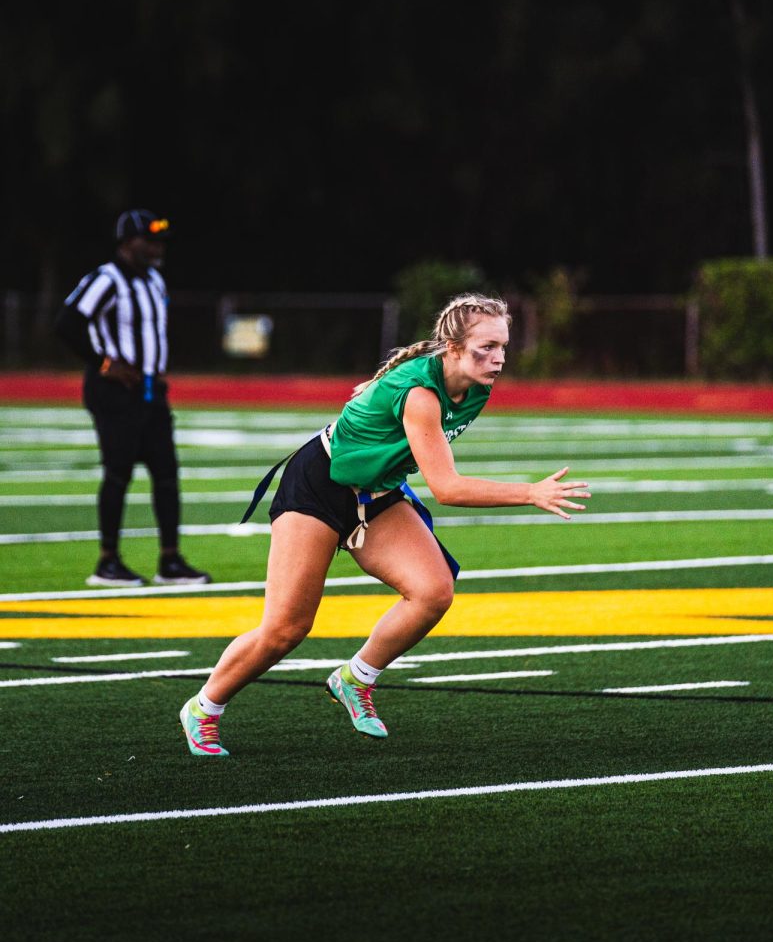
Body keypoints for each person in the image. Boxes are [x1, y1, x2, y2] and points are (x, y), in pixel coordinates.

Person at [179, 292, 590, 756]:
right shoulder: (420, 392)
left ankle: (356, 678)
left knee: (433, 591)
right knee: (286, 629)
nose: (497, 360)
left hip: (376, 492)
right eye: (485, 349)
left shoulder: (476, 386)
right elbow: (448, 488)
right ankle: (204, 709)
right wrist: (530, 492)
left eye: (502, 348)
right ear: (452, 347)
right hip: (320, 486)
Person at [55, 209, 212, 588]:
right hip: (114, 391)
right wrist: (104, 362)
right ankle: (107, 561)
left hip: (149, 391)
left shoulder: (154, 279)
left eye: (159, 240)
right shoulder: (106, 279)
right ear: (127, 242)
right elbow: (67, 323)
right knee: (118, 472)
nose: (156, 247)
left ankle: (170, 560)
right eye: (149, 240)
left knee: (166, 476)